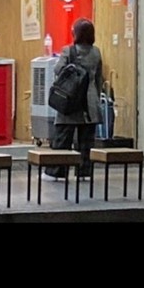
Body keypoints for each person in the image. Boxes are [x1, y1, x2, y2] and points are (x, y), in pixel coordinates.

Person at [47, 17, 104, 180]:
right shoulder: (96, 52)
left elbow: (58, 70)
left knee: (63, 138)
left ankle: (58, 172)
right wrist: (96, 95)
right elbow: (99, 78)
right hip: (90, 103)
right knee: (86, 142)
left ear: (76, 33)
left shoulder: (68, 51)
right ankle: (84, 173)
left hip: (70, 100)